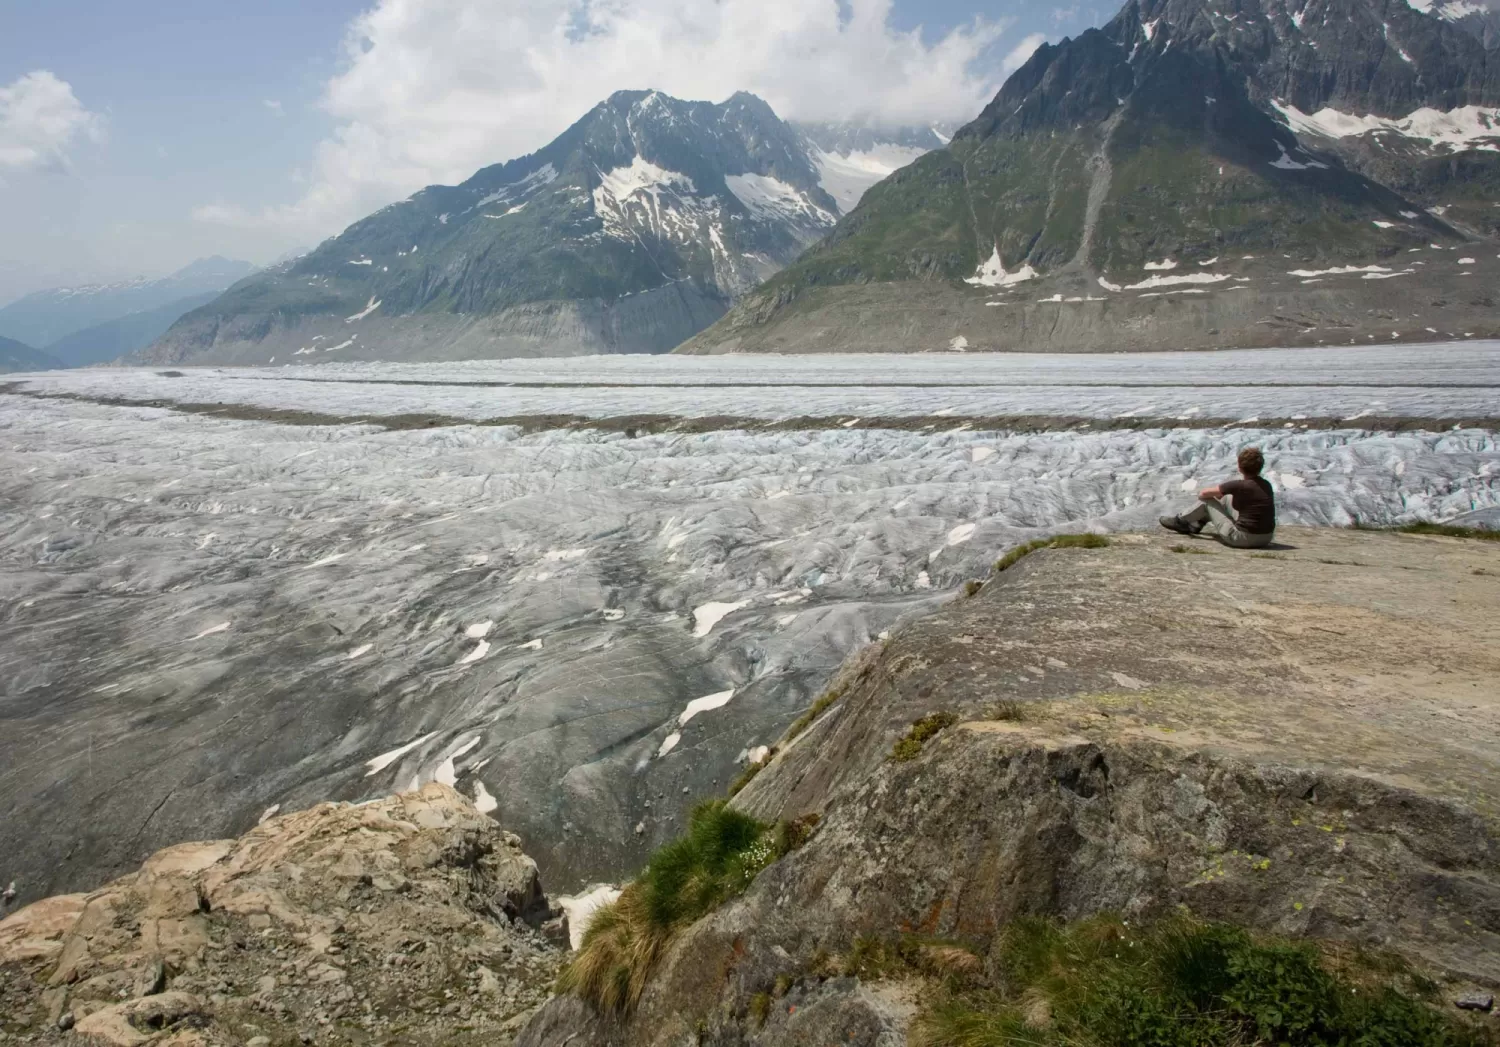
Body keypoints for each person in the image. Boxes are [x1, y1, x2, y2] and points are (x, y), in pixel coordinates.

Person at [1160, 447, 1276, 549]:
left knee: (1207, 501)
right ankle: (1196, 524)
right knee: (1227, 498)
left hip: (1241, 538)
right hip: (1266, 538)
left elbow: (1203, 494)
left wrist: (1215, 498)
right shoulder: (1266, 485)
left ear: (1240, 467)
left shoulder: (1239, 485)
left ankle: (1180, 521)